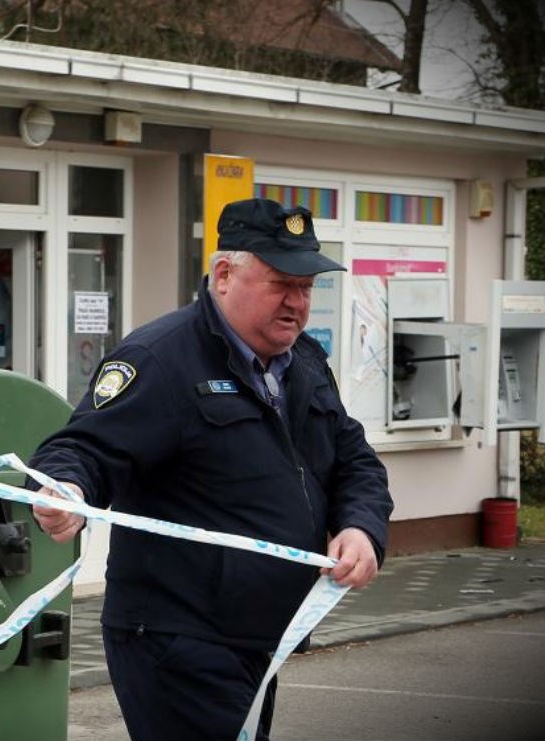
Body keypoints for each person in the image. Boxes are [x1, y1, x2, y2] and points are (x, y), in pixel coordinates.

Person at [28, 198, 393, 740]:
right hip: (177, 636)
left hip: (261, 631)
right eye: (280, 284)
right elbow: (85, 446)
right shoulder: (161, 357)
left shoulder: (305, 364)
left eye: (307, 287)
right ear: (225, 274)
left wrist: (362, 527)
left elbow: (353, 460)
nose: (297, 302)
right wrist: (64, 488)